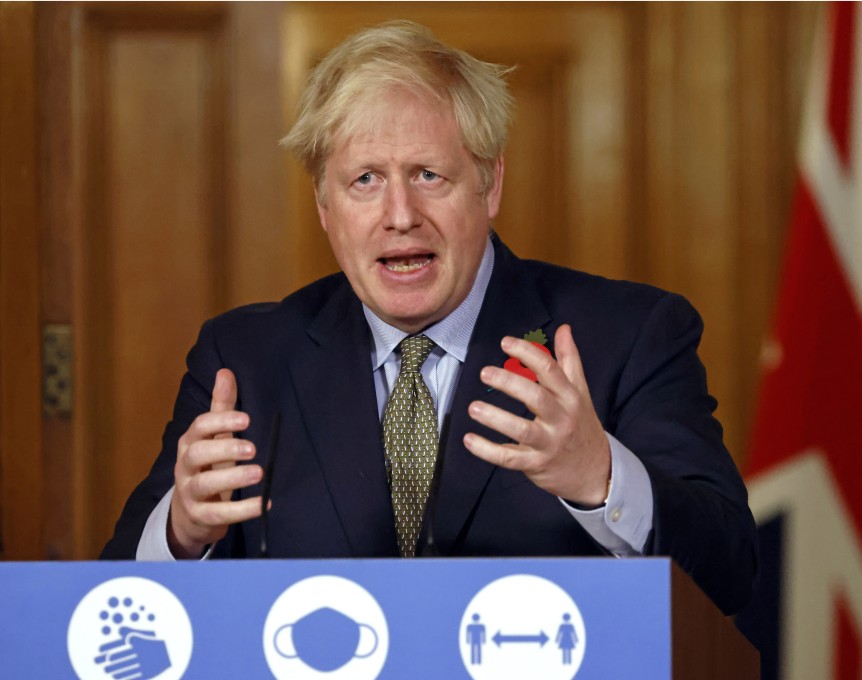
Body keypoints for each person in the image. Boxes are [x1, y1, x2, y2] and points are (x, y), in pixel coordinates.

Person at [101, 20, 757, 616]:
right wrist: (183, 533)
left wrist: (601, 476)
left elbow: (734, 576)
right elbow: (112, 599)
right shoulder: (245, 359)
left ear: (489, 184)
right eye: (364, 180)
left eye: (428, 175)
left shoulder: (629, 336)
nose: (399, 214)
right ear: (324, 203)